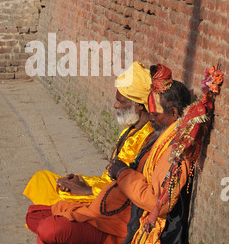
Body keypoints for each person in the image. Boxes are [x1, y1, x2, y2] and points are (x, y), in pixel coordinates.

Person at [26, 64, 193, 244]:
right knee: (34, 215)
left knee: (48, 229)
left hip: (122, 223)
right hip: (105, 207)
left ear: (174, 114)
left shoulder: (175, 153)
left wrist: (121, 173)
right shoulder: (159, 138)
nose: (151, 117)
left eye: (155, 114)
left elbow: (157, 203)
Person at [23, 62, 155, 206]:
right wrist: (81, 180)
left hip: (110, 198)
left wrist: (87, 190)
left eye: (120, 101)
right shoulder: (131, 129)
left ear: (139, 106)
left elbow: (126, 186)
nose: (115, 105)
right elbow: (107, 177)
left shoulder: (148, 138)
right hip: (101, 187)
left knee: (53, 201)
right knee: (41, 178)